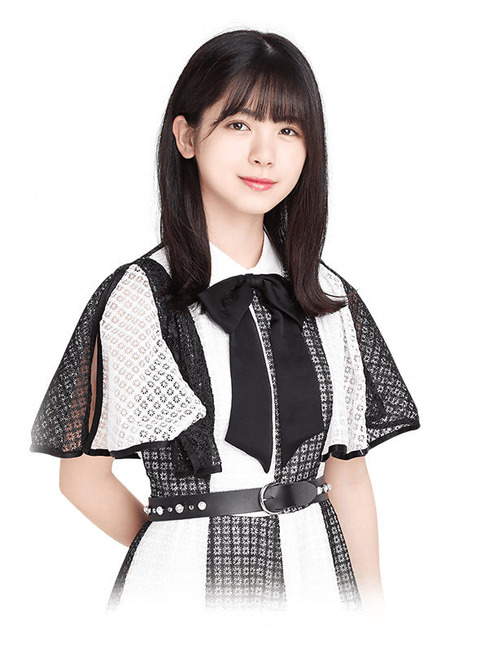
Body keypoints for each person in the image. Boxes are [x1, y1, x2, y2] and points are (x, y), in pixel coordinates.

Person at [30, 29, 420, 624]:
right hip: (182, 598)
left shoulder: (330, 297)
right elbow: (81, 478)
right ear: (187, 136)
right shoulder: (139, 296)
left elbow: (349, 478)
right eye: (239, 124)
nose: (265, 154)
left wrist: (375, 620)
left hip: (317, 582)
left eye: (288, 130)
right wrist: (179, 543)